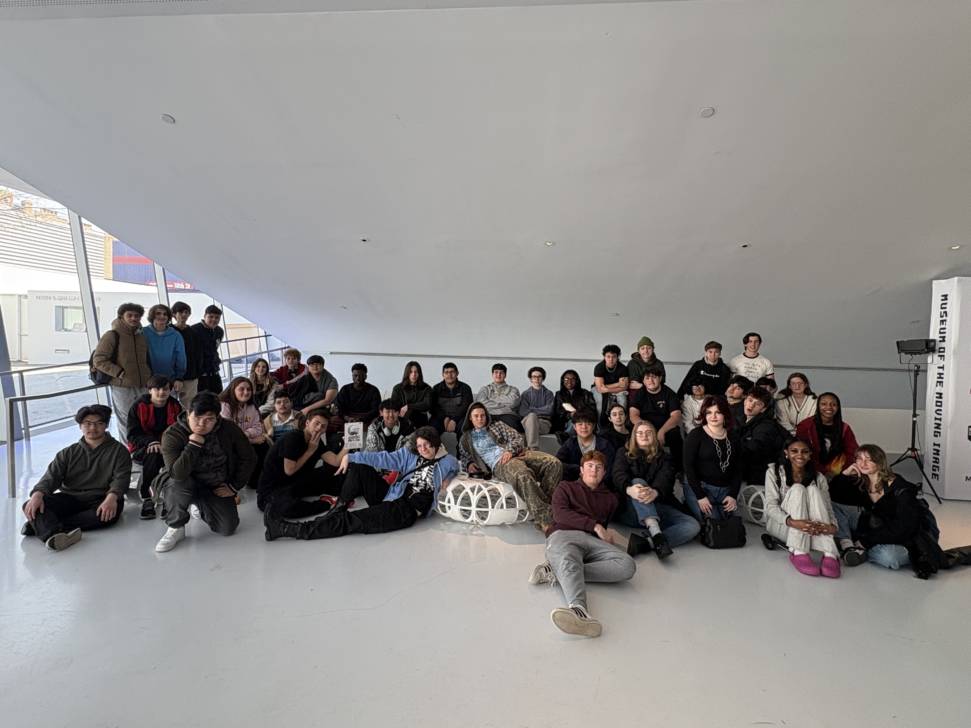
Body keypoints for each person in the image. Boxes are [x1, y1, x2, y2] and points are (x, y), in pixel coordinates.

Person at [264, 426, 459, 542]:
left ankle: (287, 529)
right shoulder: (410, 455)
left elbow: (456, 467)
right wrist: (352, 456)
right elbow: (383, 458)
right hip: (390, 495)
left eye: (427, 445)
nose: (423, 449)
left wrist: (449, 478)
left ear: (436, 444)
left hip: (404, 510)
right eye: (419, 445)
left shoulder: (447, 461)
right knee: (358, 468)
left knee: (350, 521)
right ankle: (337, 509)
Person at [527, 451, 635, 638]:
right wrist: (595, 526)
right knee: (568, 558)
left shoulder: (610, 499)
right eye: (590, 466)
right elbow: (560, 515)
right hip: (563, 534)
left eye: (599, 467)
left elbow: (604, 527)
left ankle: (555, 570)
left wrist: (605, 536)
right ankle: (579, 612)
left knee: (627, 565)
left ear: (604, 473)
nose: (594, 470)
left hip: (592, 542)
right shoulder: (565, 487)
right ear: (581, 470)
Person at [154, 392, 255, 552]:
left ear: (217, 418)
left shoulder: (229, 429)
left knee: (227, 528)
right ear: (188, 413)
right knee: (177, 483)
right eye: (197, 418)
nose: (202, 424)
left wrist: (234, 486)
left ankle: (199, 505)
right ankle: (176, 527)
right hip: (183, 481)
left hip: (215, 483)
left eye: (209, 419)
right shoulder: (173, 434)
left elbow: (248, 457)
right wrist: (193, 445)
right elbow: (177, 473)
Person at [21, 405, 130, 551]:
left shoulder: (119, 451)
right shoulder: (68, 453)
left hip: (102, 498)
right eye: (87, 423)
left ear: (106, 425)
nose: (93, 428)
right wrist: (37, 494)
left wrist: (111, 499)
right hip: (71, 498)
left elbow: (121, 479)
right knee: (30, 504)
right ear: (80, 426)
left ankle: (42, 525)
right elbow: (51, 477)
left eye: (99, 423)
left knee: (106, 516)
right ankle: (54, 535)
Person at [459, 403, 563, 531]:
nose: (480, 419)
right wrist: (469, 464)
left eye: (482, 415)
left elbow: (517, 437)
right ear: (470, 418)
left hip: (518, 453)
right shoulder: (466, 438)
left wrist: (510, 450)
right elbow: (464, 456)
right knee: (523, 474)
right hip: (500, 463)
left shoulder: (497, 426)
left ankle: (543, 509)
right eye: (476, 416)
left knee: (554, 464)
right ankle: (546, 520)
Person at [612, 421, 701, 559]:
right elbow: (618, 474)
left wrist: (655, 492)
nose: (644, 436)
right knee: (638, 482)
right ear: (634, 436)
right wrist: (628, 489)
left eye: (648, 433)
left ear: (654, 436)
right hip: (632, 510)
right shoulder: (623, 452)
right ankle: (656, 533)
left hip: (658, 506)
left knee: (693, 526)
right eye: (640, 433)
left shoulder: (665, 457)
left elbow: (666, 479)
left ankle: (648, 543)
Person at [828, 445, 921, 570]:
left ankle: (859, 549)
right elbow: (833, 495)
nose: (863, 463)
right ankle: (848, 546)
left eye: (869, 459)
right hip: (871, 525)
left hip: (895, 533)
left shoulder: (900, 488)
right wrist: (844, 474)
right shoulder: (861, 481)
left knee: (891, 558)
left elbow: (903, 527)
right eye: (859, 459)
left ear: (879, 462)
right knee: (834, 506)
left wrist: (865, 542)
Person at [762, 436, 840, 577]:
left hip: (813, 528)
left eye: (804, 452)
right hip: (785, 527)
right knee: (798, 488)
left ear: (810, 455)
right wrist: (792, 522)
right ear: (786, 453)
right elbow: (770, 506)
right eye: (794, 451)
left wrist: (832, 527)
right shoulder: (774, 472)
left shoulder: (819, 477)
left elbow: (828, 507)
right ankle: (799, 551)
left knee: (813, 489)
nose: (800, 455)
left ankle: (830, 553)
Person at [257, 410, 347, 517]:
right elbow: (289, 470)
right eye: (316, 423)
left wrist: (349, 445)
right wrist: (310, 450)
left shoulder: (317, 441)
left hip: (297, 482)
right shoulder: (292, 438)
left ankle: (325, 497)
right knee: (286, 509)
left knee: (340, 479)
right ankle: (326, 503)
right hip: (274, 488)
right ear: (307, 423)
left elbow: (335, 461)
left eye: (323, 426)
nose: (319, 428)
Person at [92, 302, 152, 442]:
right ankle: (128, 450)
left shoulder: (141, 336)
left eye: (136, 316)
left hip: (143, 385)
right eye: (129, 315)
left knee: (144, 418)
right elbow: (99, 359)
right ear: (121, 316)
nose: (133, 318)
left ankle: (142, 447)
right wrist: (118, 372)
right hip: (122, 386)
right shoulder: (112, 335)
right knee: (126, 421)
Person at [127, 375, 182, 520]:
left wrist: (166, 444)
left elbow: (180, 429)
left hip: (168, 445)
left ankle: (160, 496)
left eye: (165, 389)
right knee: (154, 454)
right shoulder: (138, 406)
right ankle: (150, 496)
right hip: (142, 447)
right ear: (149, 390)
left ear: (170, 390)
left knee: (167, 455)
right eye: (157, 389)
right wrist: (151, 442)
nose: (161, 392)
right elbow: (132, 434)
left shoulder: (175, 405)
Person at [682, 395, 742, 522]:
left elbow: (738, 468)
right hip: (701, 487)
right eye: (709, 412)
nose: (713, 416)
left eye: (718, 412)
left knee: (730, 522)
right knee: (714, 522)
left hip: (724, 488)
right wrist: (700, 496)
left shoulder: (733, 436)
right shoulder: (695, 435)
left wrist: (733, 495)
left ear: (725, 414)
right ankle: (689, 504)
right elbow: (688, 468)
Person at [628, 365, 683, 469]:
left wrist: (662, 431)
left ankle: (678, 469)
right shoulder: (639, 394)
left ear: (660, 378)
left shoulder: (670, 394)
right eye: (647, 378)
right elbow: (633, 415)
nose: (651, 381)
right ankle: (635, 466)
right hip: (645, 426)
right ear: (643, 381)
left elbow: (676, 416)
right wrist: (647, 430)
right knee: (631, 430)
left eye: (654, 377)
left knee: (675, 433)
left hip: (665, 427)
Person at [219, 376, 269, 488]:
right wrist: (251, 440)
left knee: (263, 445)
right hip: (228, 444)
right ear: (233, 390)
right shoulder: (224, 406)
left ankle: (257, 479)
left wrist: (246, 435)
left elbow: (258, 428)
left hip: (245, 440)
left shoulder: (251, 406)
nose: (246, 392)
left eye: (248, 389)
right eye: (241, 389)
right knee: (251, 449)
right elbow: (229, 434)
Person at [795, 392, 859, 479]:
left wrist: (844, 473)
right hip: (811, 468)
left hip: (838, 469)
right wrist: (824, 472)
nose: (829, 407)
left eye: (833, 404)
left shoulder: (844, 428)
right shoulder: (805, 426)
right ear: (818, 406)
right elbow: (803, 453)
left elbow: (852, 452)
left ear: (838, 407)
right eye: (824, 404)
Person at [737, 387, 787, 486]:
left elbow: (753, 449)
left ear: (763, 409)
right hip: (748, 471)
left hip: (760, 478)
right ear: (745, 401)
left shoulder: (766, 426)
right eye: (750, 400)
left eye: (758, 404)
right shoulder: (742, 419)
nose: (751, 405)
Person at [556, 409, 616, 481]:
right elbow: (557, 462)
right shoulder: (570, 443)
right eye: (580, 424)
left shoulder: (605, 445)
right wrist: (579, 469)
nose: (584, 427)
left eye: (588, 424)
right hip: (574, 483)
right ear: (574, 427)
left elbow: (609, 470)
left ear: (593, 426)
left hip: (599, 483)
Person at [143, 304, 187, 391]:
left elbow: (181, 358)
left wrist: (179, 378)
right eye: (158, 313)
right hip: (148, 381)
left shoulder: (175, 335)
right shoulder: (143, 333)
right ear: (152, 316)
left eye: (165, 314)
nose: (162, 316)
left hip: (169, 380)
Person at [170, 301, 201, 410]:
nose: (184, 315)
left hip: (190, 375)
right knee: (170, 406)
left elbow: (197, 353)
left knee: (190, 405)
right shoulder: (169, 331)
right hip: (171, 376)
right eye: (180, 312)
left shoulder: (193, 332)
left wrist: (197, 372)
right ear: (174, 314)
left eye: (186, 312)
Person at [475, 363, 522, 431]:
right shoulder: (485, 389)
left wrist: (490, 400)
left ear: (505, 375)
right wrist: (503, 405)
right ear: (492, 374)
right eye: (496, 372)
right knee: (481, 423)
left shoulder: (513, 389)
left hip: (507, 415)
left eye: (501, 373)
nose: (498, 375)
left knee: (515, 425)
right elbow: (481, 403)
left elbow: (513, 403)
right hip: (489, 414)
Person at [430, 362, 474, 434]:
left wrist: (454, 420)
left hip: (460, 418)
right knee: (431, 430)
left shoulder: (465, 388)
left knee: (464, 428)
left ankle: (462, 442)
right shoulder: (436, 388)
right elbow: (433, 407)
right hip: (440, 418)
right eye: (446, 372)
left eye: (452, 372)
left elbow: (466, 406)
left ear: (457, 373)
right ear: (442, 375)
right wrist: (444, 418)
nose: (449, 375)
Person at [191, 304, 225, 395]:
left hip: (214, 371)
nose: (214, 319)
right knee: (202, 400)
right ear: (204, 316)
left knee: (218, 397)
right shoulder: (193, 330)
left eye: (217, 317)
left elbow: (215, 348)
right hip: (200, 375)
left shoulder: (219, 331)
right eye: (211, 317)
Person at [335, 363, 382, 427]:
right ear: (352, 376)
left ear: (365, 376)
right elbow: (339, 407)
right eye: (355, 375)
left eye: (361, 376)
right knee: (332, 421)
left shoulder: (373, 390)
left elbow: (376, 410)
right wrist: (346, 418)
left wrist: (361, 419)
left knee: (377, 422)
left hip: (366, 417)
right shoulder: (345, 389)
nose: (358, 378)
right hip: (348, 417)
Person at [592, 344, 629, 426]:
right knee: (600, 404)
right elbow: (600, 388)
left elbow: (624, 387)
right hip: (598, 389)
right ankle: (599, 426)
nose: (611, 359)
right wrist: (618, 384)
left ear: (618, 357)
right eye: (608, 356)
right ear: (604, 357)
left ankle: (621, 426)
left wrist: (608, 389)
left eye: (614, 357)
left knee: (623, 401)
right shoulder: (599, 367)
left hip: (617, 390)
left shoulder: (623, 368)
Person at [519, 366, 555, 450]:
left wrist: (531, 409)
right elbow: (522, 411)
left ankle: (531, 449)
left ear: (543, 378)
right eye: (534, 377)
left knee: (532, 415)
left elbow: (549, 410)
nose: (537, 379)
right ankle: (533, 448)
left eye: (539, 376)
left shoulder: (549, 394)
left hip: (543, 423)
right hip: (528, 422)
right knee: (532, 417)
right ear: (530, 379)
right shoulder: (525, 394)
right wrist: (540, 410)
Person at [552, 369, 596, 436]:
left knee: (575, 420)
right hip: (564, 422)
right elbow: (557, 411)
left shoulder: (586, 393)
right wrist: (569, 415)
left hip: (582, 420)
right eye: (566, 379)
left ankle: (566, 435)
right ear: (562, 381)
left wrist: (579, 413)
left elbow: (592, 409)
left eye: (573, 379)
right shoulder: (559, 394)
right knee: (571, 421)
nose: (569, 381)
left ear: (577, 381)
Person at [390, 361, 434, 428]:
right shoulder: (397, 388)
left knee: (414, 414)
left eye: (416, 372)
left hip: (420, 419)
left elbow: (427, 404)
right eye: (411, 372)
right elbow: (394, 406)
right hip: (403, 418)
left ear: (419, 373)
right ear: (407, 373)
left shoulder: (427, 388)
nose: (413, 374)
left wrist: (408, 406)